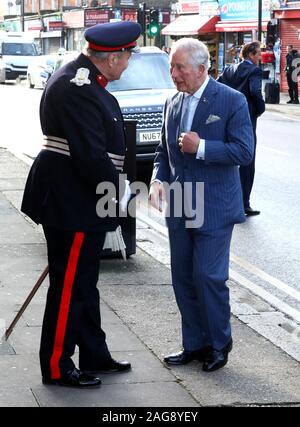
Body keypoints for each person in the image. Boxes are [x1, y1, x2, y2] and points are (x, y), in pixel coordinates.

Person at [21, 21, 141, 388]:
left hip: (77, 197)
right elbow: (90, 155)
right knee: (69, 285)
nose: (127, 65)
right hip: (71, 199)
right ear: (111, 57)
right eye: (126, 58)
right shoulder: (79, 86)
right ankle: (57, 365)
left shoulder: (84, 79)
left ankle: (93, 352)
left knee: (84, 282)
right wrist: (119, 191)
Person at [149, 38, 254, 372]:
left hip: (215, 205)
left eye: (179, 68)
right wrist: (155, 180)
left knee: (208, 276)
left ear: (201, 67)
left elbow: (244, 151)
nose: (174, 74)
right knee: (183, 277)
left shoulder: (231, 100)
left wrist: (203, 147)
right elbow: (163, 152)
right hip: (180, 203)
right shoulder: (172, 102)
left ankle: (220, 343)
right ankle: (194, 344)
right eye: (172, 67)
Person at [218, 41, 265, 216]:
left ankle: (226, 199)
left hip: (228, 118)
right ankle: (244, 203)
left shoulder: (229, 69)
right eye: (258, 53)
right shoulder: (254, 70)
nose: (260, 57)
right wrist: (260, 109)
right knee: (247, 160)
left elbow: (218, 85)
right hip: (247, 119)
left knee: (229, 157)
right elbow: (255, 91)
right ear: (251, 55)